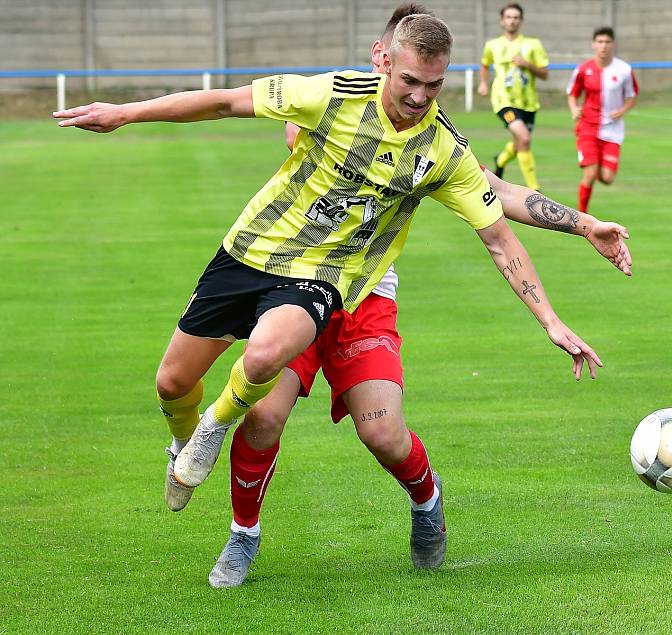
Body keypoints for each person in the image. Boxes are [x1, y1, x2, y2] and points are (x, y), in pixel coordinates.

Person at [195, 6, 629, 589]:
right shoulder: (328, 103)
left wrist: (580, 226)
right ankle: (243, 534)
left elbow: (496, 195)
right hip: (292, 284)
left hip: (365, 297)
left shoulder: (434, 142)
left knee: (382, 435)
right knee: (263, 417)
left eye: (432, 82)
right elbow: (249, 114)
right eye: (410, 76)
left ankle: (427, 501)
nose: (421, 93)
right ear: (384, 55)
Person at [566, 27, 638, 213]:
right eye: (599, 42)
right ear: (593, 44)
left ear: (612, 44)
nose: (603, 46)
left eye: (607, 42)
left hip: (612, 130)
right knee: (589, 174)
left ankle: (596, 164)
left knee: (607, 178)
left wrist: (622, 111)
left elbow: (632, 96)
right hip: (587, 127)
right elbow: (573, 94)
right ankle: (582, 217)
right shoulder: (583, 69)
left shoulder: (624, 70)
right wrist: (574, 109)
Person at [477, 3, 548, 189]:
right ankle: (535, 189)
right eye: (508, 17)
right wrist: (483, 83)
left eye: (516, 17)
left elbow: (544, 74)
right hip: (503, 101)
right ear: (502, 21)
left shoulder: (533, 45)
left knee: (519, 143)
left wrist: (527, 64)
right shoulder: (492, 45)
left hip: (528, 103)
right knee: (524, 138)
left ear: (521, 21)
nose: (512, 21)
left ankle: (500, 160)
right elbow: (484, 64)